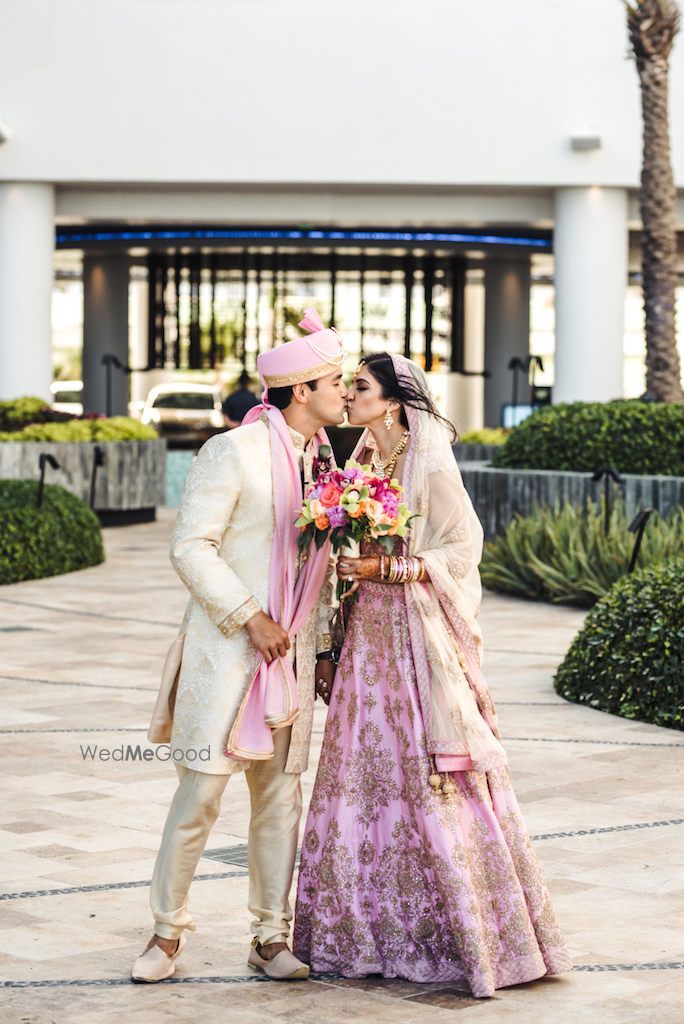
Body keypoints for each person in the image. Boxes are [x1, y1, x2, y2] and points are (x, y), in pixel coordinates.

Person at [293, 352, 571, 999]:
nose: (349, 395)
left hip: (415, 636)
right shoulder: (360, 461)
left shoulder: (430, 457)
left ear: (392, 400)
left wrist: (386, 570)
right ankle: (360, 935)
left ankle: (456, 934)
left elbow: (461, 548)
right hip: (365, 640)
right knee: (361, 774)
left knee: (425, 772)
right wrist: (332, 642)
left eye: (359, 387)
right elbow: (342, 552)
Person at [133, 309, 346, 983]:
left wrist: (323, 650)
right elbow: (190, 546)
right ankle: (165, 935)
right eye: (336, 382)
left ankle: (269, 937)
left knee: (281, 800)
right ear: (302, 389)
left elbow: (324, 567)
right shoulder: (233, 451)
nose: (345, 392)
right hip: (230, 655)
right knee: (199, 797)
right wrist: (249, 616)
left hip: (291, 660)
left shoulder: (328, 465)